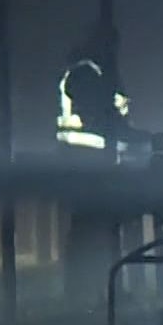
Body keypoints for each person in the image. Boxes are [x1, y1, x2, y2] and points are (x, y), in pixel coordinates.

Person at [57, 23, 132, 303]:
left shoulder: (97, 74)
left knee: (94, 230)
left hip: (91, 164)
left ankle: (97, 290)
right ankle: (82, 293)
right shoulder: (85, 73)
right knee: (87, 232)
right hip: (84, 164)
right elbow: (101, 121)